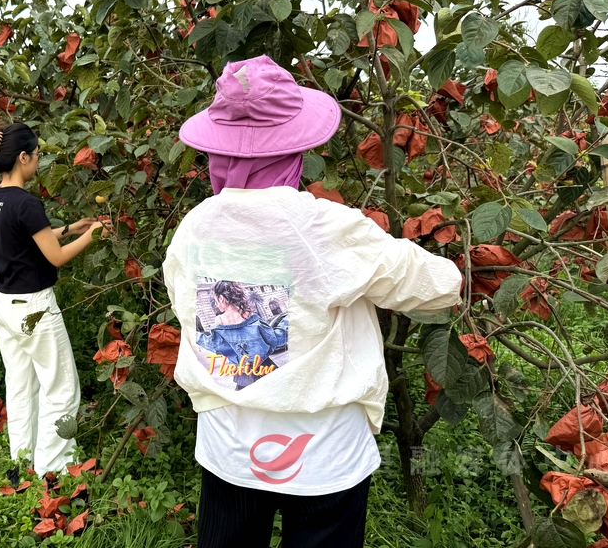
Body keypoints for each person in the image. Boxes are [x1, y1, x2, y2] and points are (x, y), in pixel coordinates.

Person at [163, 55, 463, 548]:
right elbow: (432, 285)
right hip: (322, 450)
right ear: (295, 148)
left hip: (230, 441)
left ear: (217, 150)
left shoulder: (195, 225)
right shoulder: (326, 227)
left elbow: (186, 307)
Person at [0, 122, 108, 476]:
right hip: (33, 308)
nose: (38, 161)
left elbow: (29, 239)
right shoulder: (27, 203)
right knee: (61, 389)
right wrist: (95, 234)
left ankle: (21, 460)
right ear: (23, 157)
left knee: (21, 384)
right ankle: (51, 470)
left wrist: (72, 228)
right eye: (36, 155)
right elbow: (55, 257)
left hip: (4, 304)